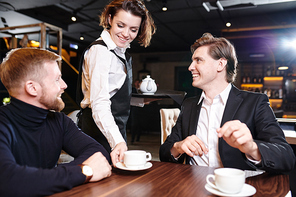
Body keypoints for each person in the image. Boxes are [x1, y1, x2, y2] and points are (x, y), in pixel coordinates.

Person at [159, 33, 295, 173]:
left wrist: (251, 147)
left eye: (198, 60)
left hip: (236, 188)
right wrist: (179, 146)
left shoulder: (255, 103)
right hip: (194, 186)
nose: (190, 67)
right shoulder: (189, 105)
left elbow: (286, 157)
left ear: (220, 64)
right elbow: (164, 152)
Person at [0, 48, 112, 196]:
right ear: (32, 88)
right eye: (57, 79)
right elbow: (9, 181)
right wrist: (84, 170)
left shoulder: (59, 121)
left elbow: (98, 153)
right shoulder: (3, 123)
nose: (64, 85)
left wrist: (45, 178)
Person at [77, 0, 156, 166]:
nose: (126, 34)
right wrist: (117, 141)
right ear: (110, 19)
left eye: (133, 29)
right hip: (98, 131)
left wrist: (140, 101)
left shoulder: (120, 52)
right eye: (121, 25)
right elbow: (98, 103)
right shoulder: (101, 52)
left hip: (113, 129)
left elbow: (112, 93)